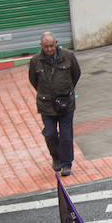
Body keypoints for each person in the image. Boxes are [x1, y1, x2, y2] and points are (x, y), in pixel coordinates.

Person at [28, 30, 80, 176]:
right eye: (46, 47)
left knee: (66, 135)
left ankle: (66, 163)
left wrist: (66, 90)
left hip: (66, 103)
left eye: (52, 46)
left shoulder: (68, 56)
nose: (50, 49)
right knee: (50, 133)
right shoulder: (35, 61)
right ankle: (55, 157)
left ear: (56, 43)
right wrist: (46, 93)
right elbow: (33, 80)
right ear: (41, 46)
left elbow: (76, 74)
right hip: (46, 105)